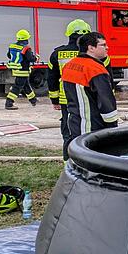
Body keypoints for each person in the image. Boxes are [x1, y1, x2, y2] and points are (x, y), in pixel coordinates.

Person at [62, 32, 119, 145]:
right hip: (92, 127)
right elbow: (106, 102)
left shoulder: (68, 66)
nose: (107, 48)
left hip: (74, 123)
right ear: (91, 48)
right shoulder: (95, 70)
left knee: (75, 155)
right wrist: (112, 128)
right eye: (103, 45)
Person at [47, 19, 92, 160]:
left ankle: (68, 165)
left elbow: (52, 79)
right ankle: (88, 160)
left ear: (69, 35)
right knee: (88, 131)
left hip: (66, 99)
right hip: (89, 99)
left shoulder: (57, 54)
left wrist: (54, 100)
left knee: (68, 131)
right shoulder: (93, 53)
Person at [5, 29, 39, 110]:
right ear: (26, 39)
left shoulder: (12, 46)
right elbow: (30, 58)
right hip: (23, 70)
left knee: (26, 85)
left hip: (16, 69)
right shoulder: (26, 48)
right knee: (17, 87)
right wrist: (36, 58)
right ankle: (9, 103)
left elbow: (9, 56)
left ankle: (33, 100)